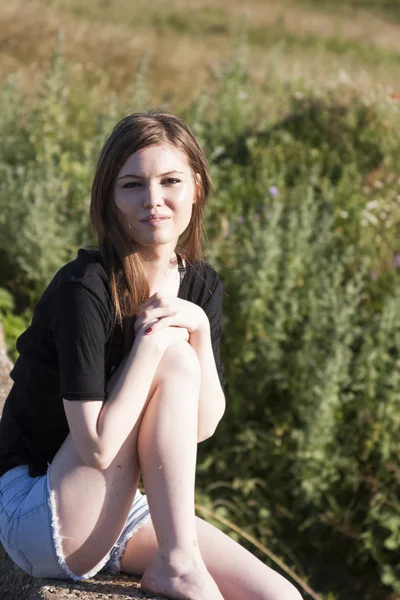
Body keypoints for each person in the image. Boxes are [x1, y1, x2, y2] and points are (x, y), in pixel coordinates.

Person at [0, 110, 302, 600]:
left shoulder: (200, 284)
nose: (153, 201)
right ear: (110, 199)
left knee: (278, 595)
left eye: (170, 181)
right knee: (172, 355)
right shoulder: (86, 288)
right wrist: (155, 342)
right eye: (132, 185)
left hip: (119, 509)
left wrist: (198, 329)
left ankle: (175, 560)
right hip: (37, 507)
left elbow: (202, 425)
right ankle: (179, 561)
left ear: (197, 187)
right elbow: (97, 446)